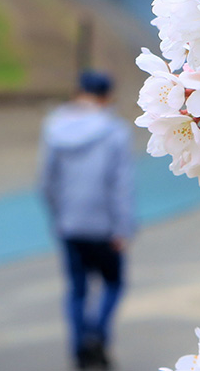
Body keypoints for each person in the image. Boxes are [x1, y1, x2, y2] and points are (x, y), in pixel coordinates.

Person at [39, 71, 136, 369]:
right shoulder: (115, 132)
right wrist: (123, 227)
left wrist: (59, 216)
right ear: (106, 97)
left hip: (69, 223)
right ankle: (97, 334)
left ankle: (79, 345)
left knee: (77, 288)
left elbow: (46, 182)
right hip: (105, 225)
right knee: (113, 283)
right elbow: (121, 185)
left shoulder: (55, 128)